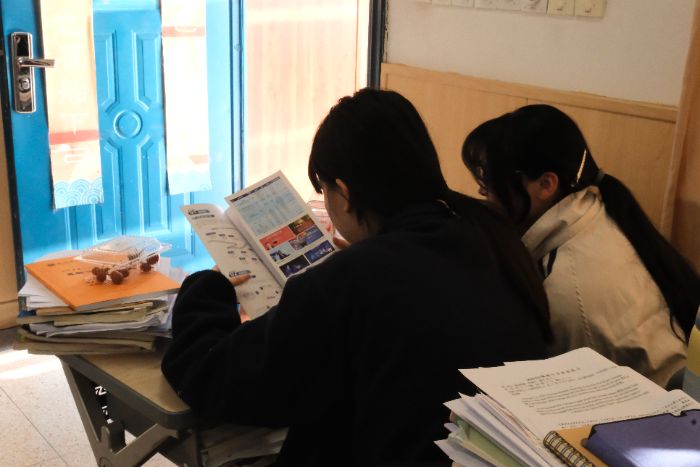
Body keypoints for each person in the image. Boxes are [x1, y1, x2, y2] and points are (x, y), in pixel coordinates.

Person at [162, 89, 552, 465]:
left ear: (345, 194)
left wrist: (206, 288)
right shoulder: (493, 236)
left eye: (325, 190)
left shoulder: (351, 279)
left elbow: (214, 378)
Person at [462, 104, 700, 387]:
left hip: (651, 407)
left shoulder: (566, 291)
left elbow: (563, 396)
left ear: (546, 184)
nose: (483, 192)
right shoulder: (597, 211)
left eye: (492, 181)